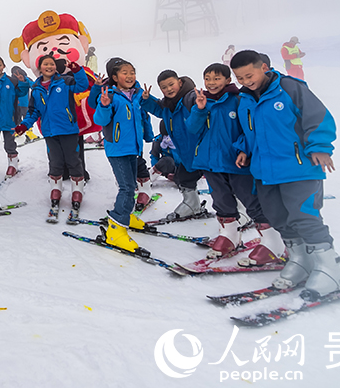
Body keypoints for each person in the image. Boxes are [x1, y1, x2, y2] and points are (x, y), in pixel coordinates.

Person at [231, 50, 340, 299]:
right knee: (278, 217)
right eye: (240, 78)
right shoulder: (245, 99)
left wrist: (320, 147)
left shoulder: (290, 88)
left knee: (304, 217)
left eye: (249, 75)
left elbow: (318, 117)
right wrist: (245, 150)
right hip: (265, 172)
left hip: (298, 168)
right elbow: (250, 131)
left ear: (264, 67)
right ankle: (301, 261)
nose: (246, 81)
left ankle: (330, 268)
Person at [185, 63, 284, 265]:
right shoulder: (203, 102)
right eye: (207, 79)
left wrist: (243, 149)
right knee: (221, 201)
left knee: (251, 201)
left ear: (228, 80)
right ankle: (229, 236)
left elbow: (249, 129)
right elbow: (193, 129)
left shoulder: (239, 99)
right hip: (210, 162)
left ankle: (273, 242)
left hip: (237, 162)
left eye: (217, 78)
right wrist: (200, 109)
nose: (211, 83)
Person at [14, 55, 88, 218]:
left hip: (68, 130)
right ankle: (56, 190)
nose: (49, 66)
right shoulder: (36, 88)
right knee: (55, 162)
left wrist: (77, 70)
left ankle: (77, 192)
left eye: (52, 64)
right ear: (40, 68)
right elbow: (34, 111)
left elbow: (82, 85)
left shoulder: (65, 81)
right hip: (50, 132)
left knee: (73, 161)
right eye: (46, 64)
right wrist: (24, 126)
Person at [91, 58, 150, 252]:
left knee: (131, 185)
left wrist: (148, 135)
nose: (130, 76)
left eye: (132, 72)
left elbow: (142, 117)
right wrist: (104, 105)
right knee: (126, 188)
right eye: (125, 73)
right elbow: (100, 120)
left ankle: (127, 215)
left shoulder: (136, 95)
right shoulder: (111, 96)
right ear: (115, 77)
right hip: (117, 149)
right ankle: (116, 229)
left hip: (133, 147)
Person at [142, 69, 204, 220]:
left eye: (171, 84)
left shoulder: (190, 98)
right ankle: (192, 205)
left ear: (180, 82)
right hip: (187, 153)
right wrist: (147, 100)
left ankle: (238, 212)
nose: (169, 89)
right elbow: (158, 109)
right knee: (184, 177)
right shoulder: (169, 105)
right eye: (164, 87)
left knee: (220, 181)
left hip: (201, 150)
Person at [0, 56, 30, 180]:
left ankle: (13, 164)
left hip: (9, 118)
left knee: (9, 142)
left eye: (0, 65)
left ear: (4, 66)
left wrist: (22, 83)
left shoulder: (11, 81)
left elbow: (21, 93)